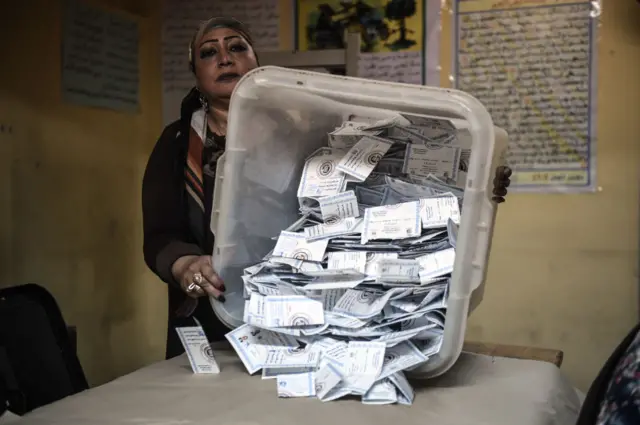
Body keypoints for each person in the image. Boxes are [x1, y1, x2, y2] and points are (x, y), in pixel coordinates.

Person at [142, 17, 513, 360]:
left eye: (237, 47)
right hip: (211, 319)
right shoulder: (178, 143)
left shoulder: (302, 132)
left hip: (304, 311)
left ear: (257, 63)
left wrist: (480, 179)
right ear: (196, 73)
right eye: (209, 52)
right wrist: (185, 266)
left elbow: (369, 192)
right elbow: (160, 235)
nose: (224, 57)